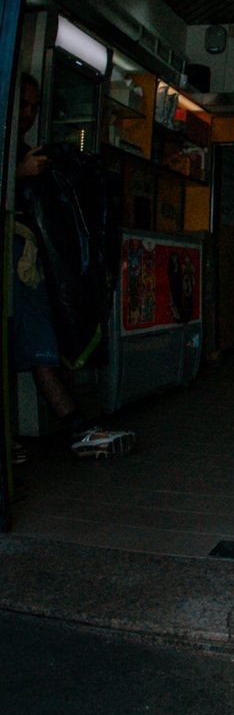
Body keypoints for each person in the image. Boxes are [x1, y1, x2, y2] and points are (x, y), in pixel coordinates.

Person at [11, 75, 89, 450]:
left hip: (26, 263)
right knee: (38, 341)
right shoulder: (15, 155)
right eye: (23, 105)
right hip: (17, 262)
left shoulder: (21, 148)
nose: (28, 114)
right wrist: (18, 175)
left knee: (42, 341)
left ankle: (76, 426)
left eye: (34, 107)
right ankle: (76, 428)